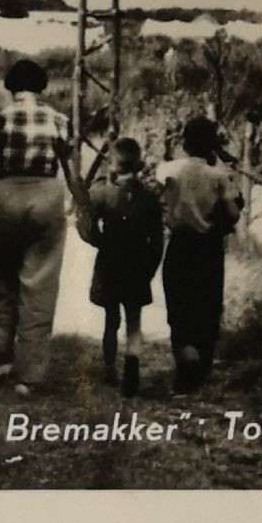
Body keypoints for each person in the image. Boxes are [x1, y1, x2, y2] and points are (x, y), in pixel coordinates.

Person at [0, 59, 73, 396]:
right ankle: (30, 376)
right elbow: (73, 174)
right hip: (47, 198)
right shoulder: (60, 121)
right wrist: (86, 212)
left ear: (10, 87)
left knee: (2, 278)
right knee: (40, 286)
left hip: (5, 197)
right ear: (43, 86)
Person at [159, 116, 244, 393]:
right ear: (212, 145)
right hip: (207, 247)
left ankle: (184, 363)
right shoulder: (219, 177)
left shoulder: (168, 170)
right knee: (206, 305)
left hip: (179, 245)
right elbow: (232, 214)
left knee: (179, 305)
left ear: (184, 143)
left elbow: (156, 198)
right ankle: (201, 366)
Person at [87, 137, 163, 397]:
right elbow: (157, 242)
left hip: (110, 262)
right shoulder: (150, 198)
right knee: (134, 319)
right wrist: (150, 269)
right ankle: (132, 367)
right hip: (138, 264)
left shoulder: (102, 195)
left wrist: (100, 243)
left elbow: (86, 227)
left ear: (113, 165)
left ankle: (110, 368)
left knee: (110, 319)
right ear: (139, 164)